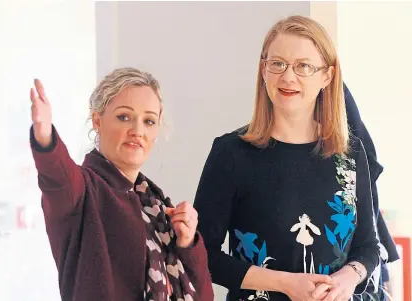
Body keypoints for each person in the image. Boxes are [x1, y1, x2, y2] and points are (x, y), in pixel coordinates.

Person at [194, 16, 381, 301]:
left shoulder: (350, 154)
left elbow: (368, 246)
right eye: (277, 64)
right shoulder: (230, 153)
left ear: (327, 76)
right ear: (264, 70)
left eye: (303, 66)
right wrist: (284, 283)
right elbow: (202, 255)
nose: (288, 77)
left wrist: (347, 278)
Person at [29, 67, 214, 301]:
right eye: (124, 117)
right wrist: (45, 137)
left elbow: (205, 296)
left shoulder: (157, 207)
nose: (137, 131)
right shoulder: (82, 190)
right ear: (97, 120)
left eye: (148, 121)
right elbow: (57, 177)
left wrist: (188, 244)